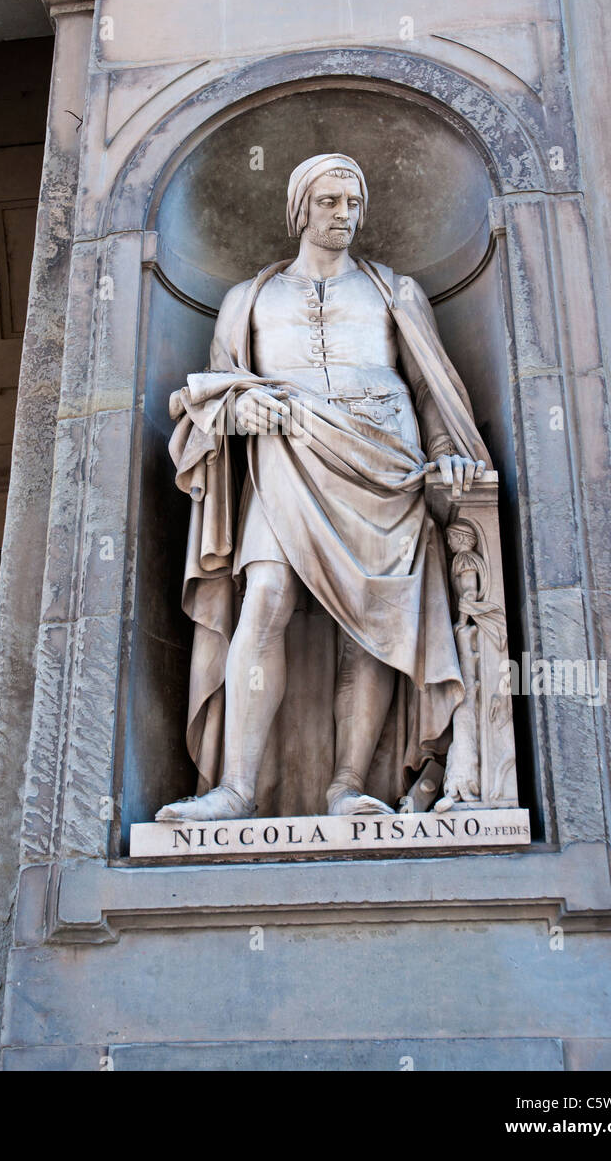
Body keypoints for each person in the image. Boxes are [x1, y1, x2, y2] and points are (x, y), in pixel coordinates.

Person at [157, 153, 490, 822]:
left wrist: (450, 453)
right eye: (329, 202)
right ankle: (234, 789)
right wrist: (235, 411)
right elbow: (214, 391)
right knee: (265, 596)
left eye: (352, 203)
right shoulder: (248, 298)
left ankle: (345, 786)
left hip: (385, 460)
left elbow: (431, 387)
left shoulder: (393, 291)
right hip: (285, 453)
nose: (343, 215)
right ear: (299, 208)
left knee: (369, 622)